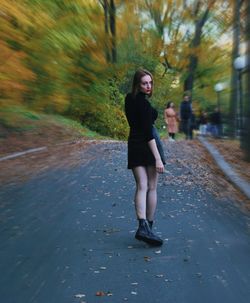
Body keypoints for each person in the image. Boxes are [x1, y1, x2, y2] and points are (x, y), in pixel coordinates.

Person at [124, 68, 164, 246]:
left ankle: (142, 226)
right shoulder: (145, 105)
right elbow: (149, 133)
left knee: (141, 186)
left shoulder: (129, 99)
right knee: (152, 187)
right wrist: (157, 158)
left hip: (133, 144)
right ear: (137, 85)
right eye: (144, 83)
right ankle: (149, 228)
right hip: (148, 147)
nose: (148, 86)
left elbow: (137, 124)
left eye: (150, 83)